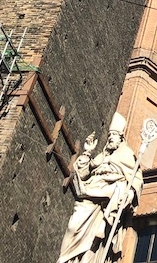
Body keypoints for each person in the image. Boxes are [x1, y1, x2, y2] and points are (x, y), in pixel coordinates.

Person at [57, 113, 143, 263]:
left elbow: (136, 181)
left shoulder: (128, 155)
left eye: (114, 135)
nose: (110, 138)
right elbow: (82, 174)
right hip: (88, 196)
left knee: (94, 243)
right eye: (109, 135)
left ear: (121, 138)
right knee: (72, 228)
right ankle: (65, 259)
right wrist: (87, 152)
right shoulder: (100, 157)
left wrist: (129, 193)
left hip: (106, 202)